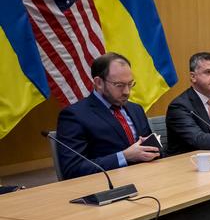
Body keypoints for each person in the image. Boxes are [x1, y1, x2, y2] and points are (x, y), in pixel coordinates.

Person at [54, 52, 159, 180]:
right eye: (119, 85)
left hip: (147, 178)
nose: (127, 92)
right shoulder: (74, 116)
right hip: (107, 184)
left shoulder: (136, 109)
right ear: (99, 83)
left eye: (130, 84)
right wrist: (124, 156)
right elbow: (73, 169)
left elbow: (152, 149)